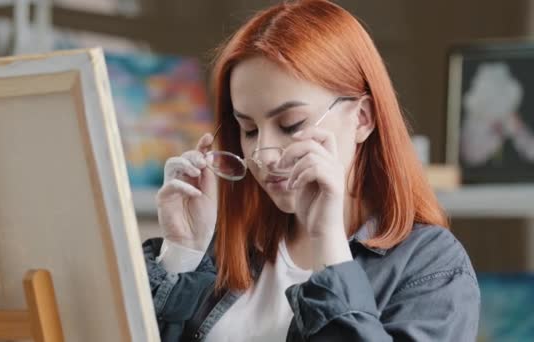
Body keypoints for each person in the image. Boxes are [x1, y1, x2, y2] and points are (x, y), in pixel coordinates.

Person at [143, 1, 480, 341]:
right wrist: (182, 252)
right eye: (248, 129)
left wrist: (330, 246)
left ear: (363, 118)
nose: (263, 156)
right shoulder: (224, 248)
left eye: (290, 124)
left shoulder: (431, 266)